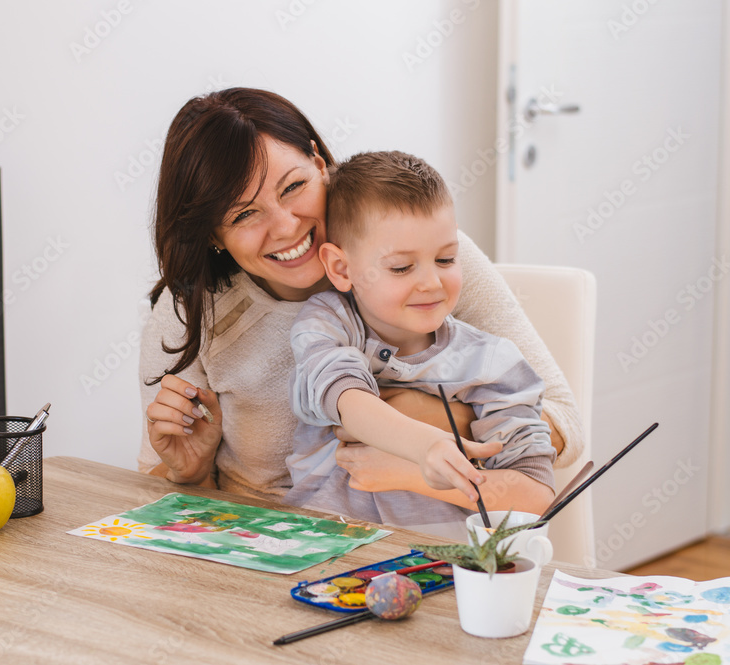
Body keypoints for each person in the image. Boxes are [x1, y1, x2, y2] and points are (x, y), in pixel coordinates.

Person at [138, 87, 583, 509]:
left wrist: (425, 420)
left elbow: (565, 425)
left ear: (319, 163)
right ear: (213, 234)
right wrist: (192, 475)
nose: (286, 226)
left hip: (421, 544)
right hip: (266, 548)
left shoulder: (425, 264)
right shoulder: (192, 313)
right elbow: (158, 498)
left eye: (293, 187)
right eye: (244, 214)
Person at [285, 150, 556, 534]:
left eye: (446, 259)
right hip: (319, 548)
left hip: (441, 565)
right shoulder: (328, 323)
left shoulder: (492, 363)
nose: (431, 283)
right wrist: (424, 445)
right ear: (342, 268)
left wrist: (413, 473)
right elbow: (344, 395)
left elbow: (535, 495)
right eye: (402, 267)